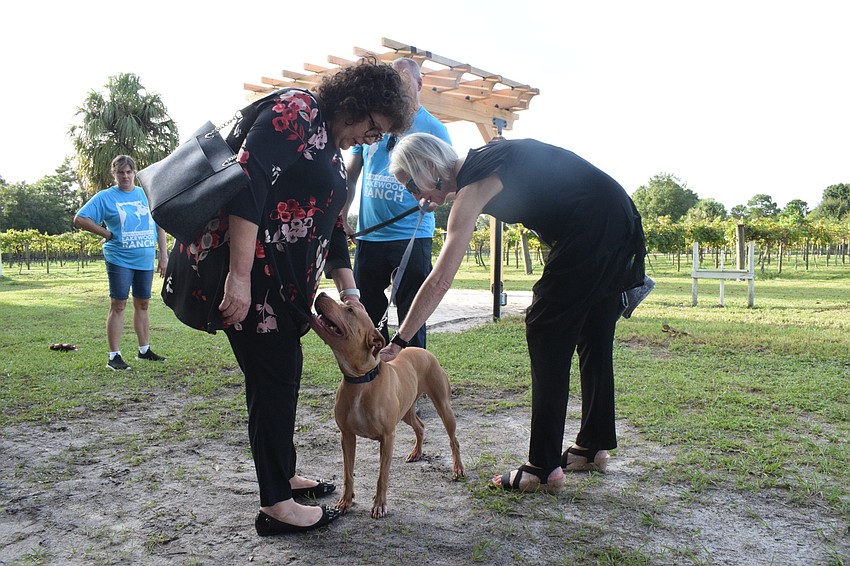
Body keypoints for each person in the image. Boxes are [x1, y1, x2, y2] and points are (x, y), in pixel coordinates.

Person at [380, 133, 646, 492]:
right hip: (615, 214)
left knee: (544, 328)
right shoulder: (485, 161)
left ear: (429, 166)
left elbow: (440, 280)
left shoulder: (475, 182)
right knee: (593, 331)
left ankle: (542, 468)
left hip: (593, 225)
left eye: (412, 185)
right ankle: (592, 445)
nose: (416, 196)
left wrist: (400, 339)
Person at [212, 59, 412, 535]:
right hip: (258, 279)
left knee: (284, 376)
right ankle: (276, 505)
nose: (369, 140)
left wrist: (350, 292)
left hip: (287, 290)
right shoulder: (298, 111)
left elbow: (332, 228)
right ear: (357, 104)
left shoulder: (330, 147)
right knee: (272, 381)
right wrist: (238, 275)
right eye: (373, 128)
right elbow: (246, 184)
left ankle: (283, 477)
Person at [343, 58, 452, 348]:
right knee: (367, 315)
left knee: (411, 314)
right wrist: (342, 215)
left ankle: (412, 373)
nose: (399, 89)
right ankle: (372, 372)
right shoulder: (375, 123)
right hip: (370, 235)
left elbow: (447, 181)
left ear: (419, 84)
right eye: (393, 83)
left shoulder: (434, 128)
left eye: (405, 82)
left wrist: (433, 201)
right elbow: (351, 175)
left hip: (411, 234)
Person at [73, 155, 168, 371]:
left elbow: (159, 224)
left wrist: (164, 255)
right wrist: (106, 233)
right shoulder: (106, 197)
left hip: (145, 259)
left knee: (143, 304)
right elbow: (80, 218)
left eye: (128, 172)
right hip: (119, 259)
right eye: (120, 173)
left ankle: (144, 350)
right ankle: (114, 356)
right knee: (119, 304)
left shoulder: (146, 194)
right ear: (114, 174)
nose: (125, 176)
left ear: (134, 173)